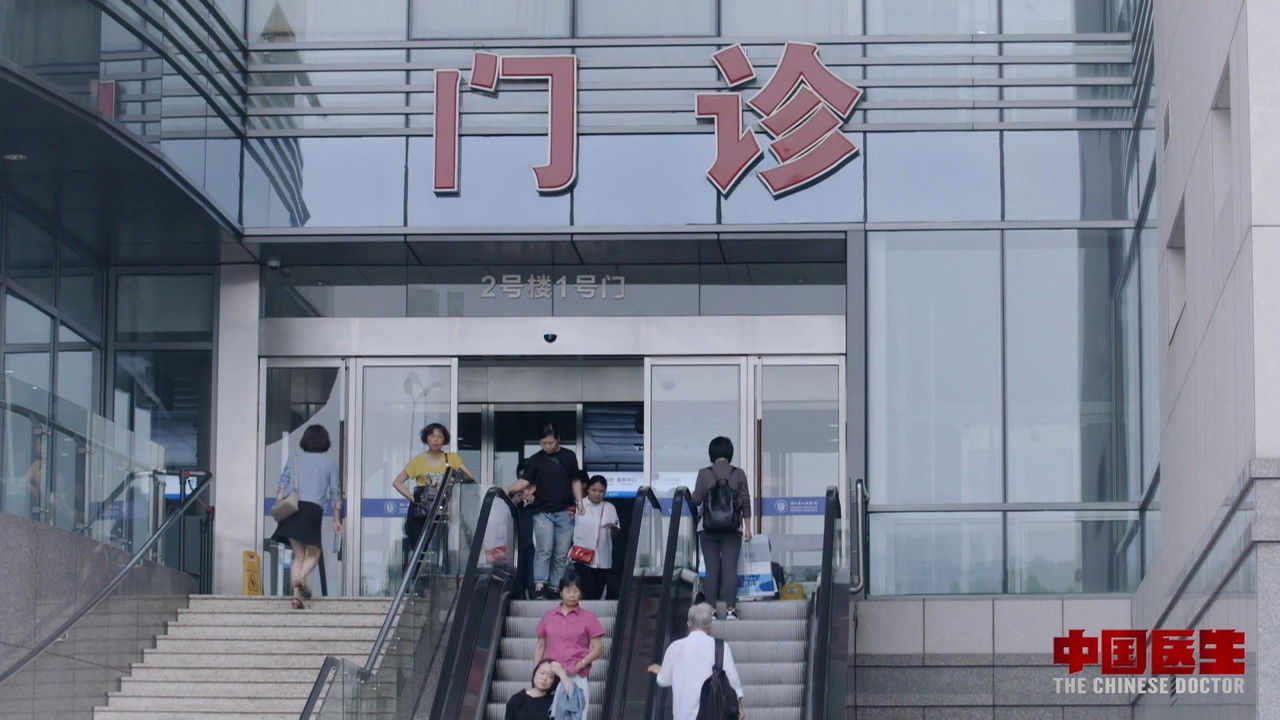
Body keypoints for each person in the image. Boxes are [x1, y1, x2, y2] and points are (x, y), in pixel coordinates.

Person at [506, 423, 582, 599]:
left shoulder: (569, 456)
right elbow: (524, 481)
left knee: (561, 553)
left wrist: (579, 502)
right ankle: (540, 584)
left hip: (565, 511)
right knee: (544, 548)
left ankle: (555, 587)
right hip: (542, 511)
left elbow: (575, 480)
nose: (547, 446)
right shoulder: (535, 460)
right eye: (543, 443)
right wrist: (508, 489)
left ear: (558, 440)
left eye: (551, 442)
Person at [272, 424, 341, 610]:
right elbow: (335, 494)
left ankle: (296, 597)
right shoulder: (329, 463)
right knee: (315, 554)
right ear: (325, 441)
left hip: (292, 508)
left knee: (299, 555)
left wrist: (278, 503)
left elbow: (282, 485)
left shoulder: (294, 459)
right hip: (312, 510)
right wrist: (337, 519)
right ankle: (301, 578)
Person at [648, 603, 746, 720]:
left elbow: (664, 680)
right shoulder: (721, 646)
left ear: (688, 625)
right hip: (712, 714)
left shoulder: (675, 647)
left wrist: (660, 671)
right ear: (710, 625)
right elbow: (733, 680)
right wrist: (739, 707)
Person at [690, 436, 752, 621]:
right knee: (730, 569)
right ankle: (731, 610)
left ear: (712, 453)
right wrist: (748, 528)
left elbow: (696, 500)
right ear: (730, 453)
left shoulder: (704, 473)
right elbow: (746, 501)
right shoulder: (738, 473)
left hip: (708, 528)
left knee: (712, 570)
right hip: (732, 528)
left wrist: (692, 494)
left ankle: (712, 612)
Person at [392, 423, 475, 552]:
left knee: (442, 545)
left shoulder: (452, 458)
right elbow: (397, 482)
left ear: (444, 440)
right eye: (432, 436)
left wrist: (453, 479)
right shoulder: (418, 461)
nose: (436, 439)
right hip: (422, 511)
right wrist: (413, 498)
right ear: (426, 438)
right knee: (420, 546)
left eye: (440, 436)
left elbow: (470, 476)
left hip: (444, 508)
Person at [534, 573, 604, 719]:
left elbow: (598, 648)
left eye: (575, 591)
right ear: (561, 593)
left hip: (575, 675)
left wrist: (579, 665)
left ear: (581, 594)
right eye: (567, 591)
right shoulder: (549, 616)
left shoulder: (589, 618)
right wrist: (536, 671)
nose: (571, 595)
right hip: (551, 675)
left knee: (574, 715)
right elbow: (540, 645)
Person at [570, 474, 621, 600]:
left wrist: (613, 528)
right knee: (582, 592)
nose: (597, 494)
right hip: (581, 557)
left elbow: (617, 534)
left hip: (602, 558)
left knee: (597, 592)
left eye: (601, 491)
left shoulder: (610, 508)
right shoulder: (579, 505)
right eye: (594, 490)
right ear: (587, 489)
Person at [505, 658, 571, 720]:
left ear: (554, 681)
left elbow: (572, 699)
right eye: (542, 673)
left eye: (550, 676)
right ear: (535, 673)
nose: (544, 678)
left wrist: (561, 673)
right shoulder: (517, 699)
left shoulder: (555, 702)